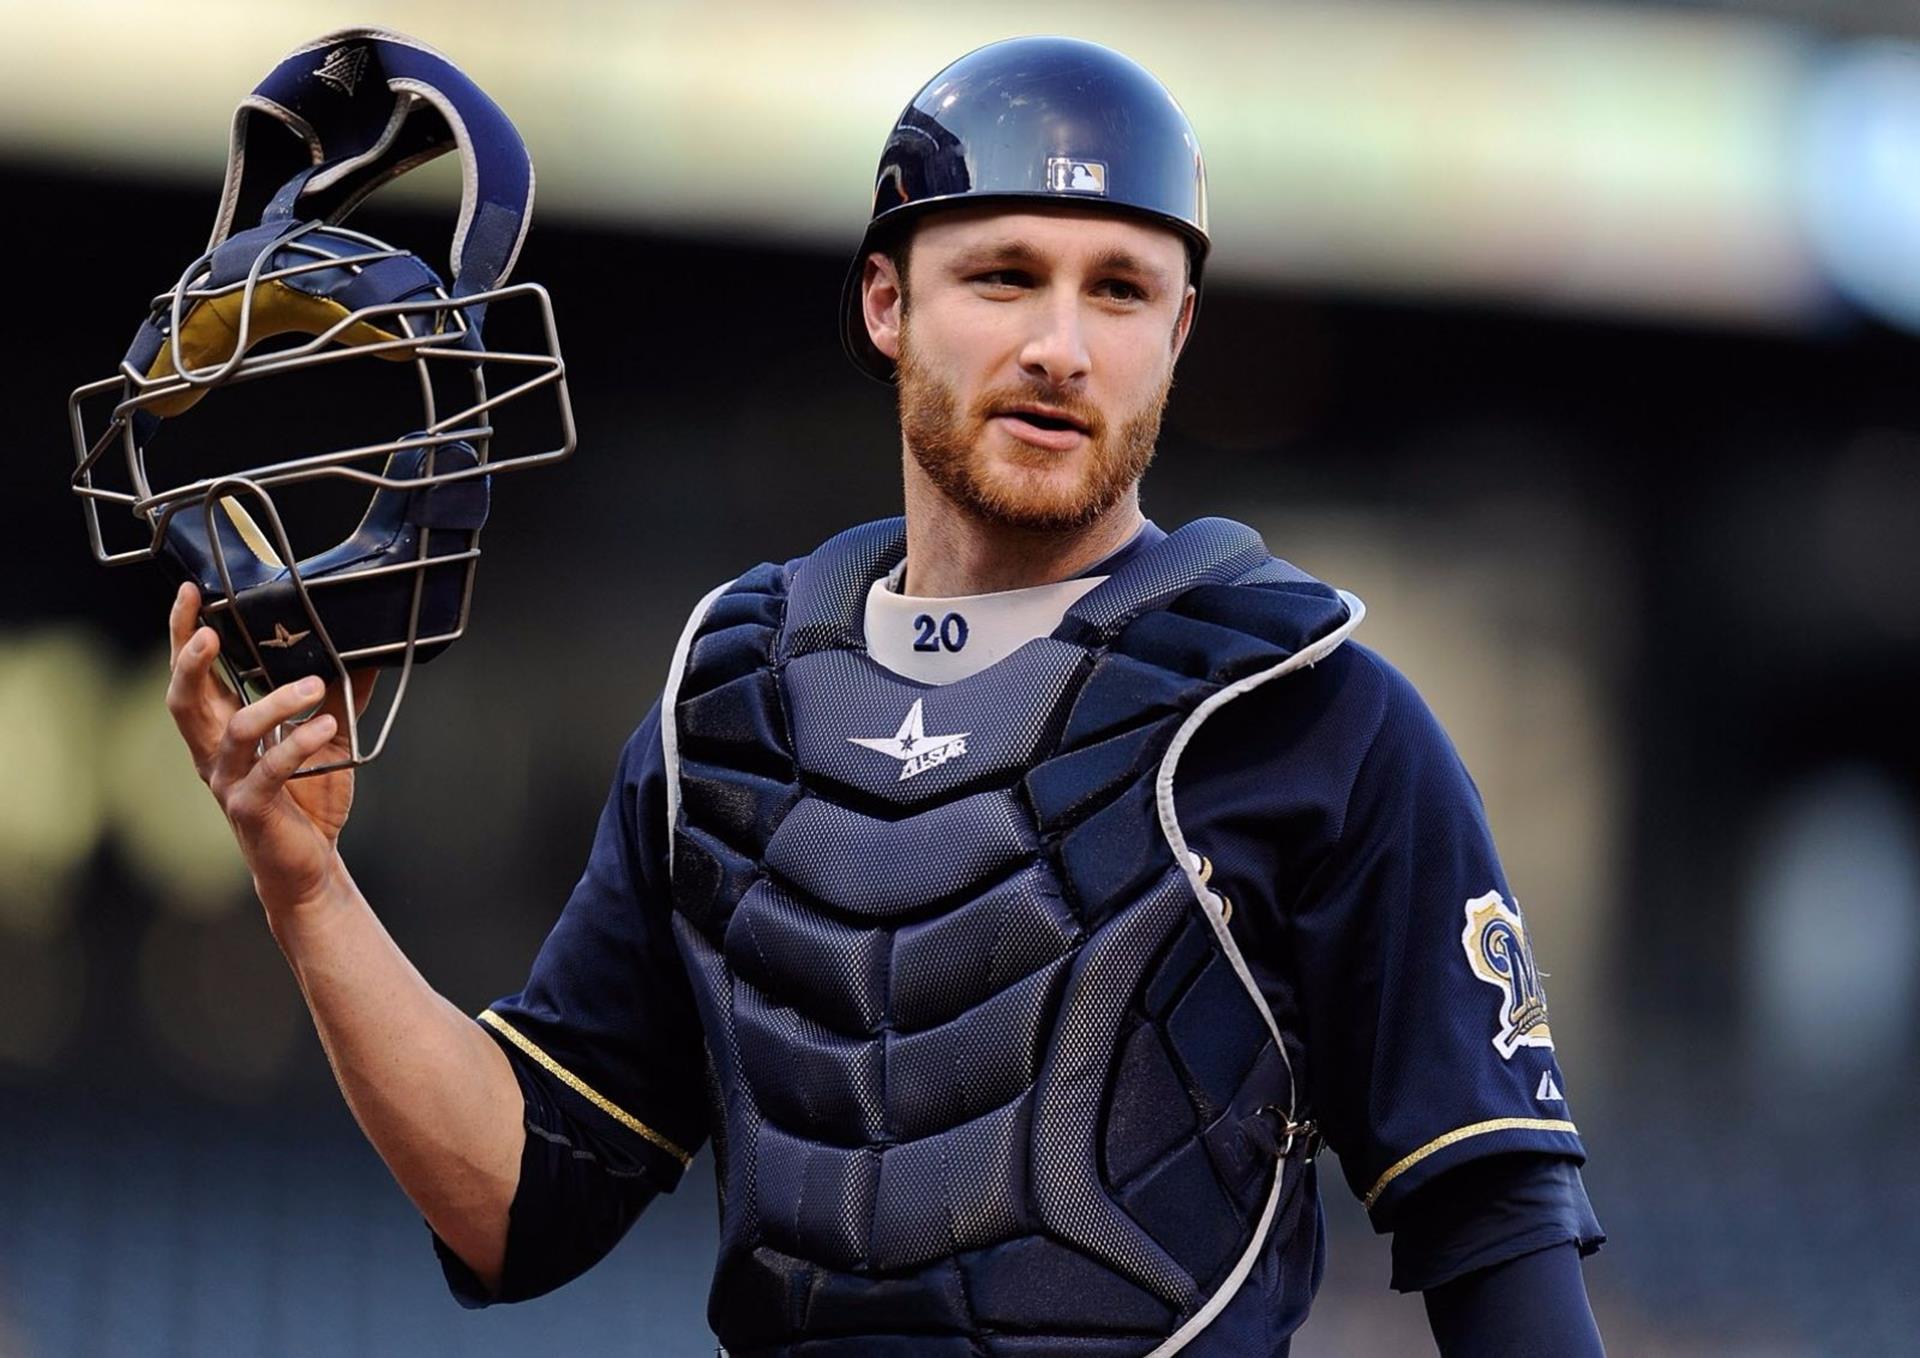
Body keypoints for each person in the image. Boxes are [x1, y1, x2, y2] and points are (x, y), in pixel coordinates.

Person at [165, 36, 1605, 1357]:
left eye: (1119, 290)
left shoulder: (1309, 713)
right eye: (1004, 277)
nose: (1061, 346)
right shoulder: (731, 697)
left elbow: (1498, 1243)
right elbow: (520, 1202)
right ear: (885, 303)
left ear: (1178, 334)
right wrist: (306, 885)